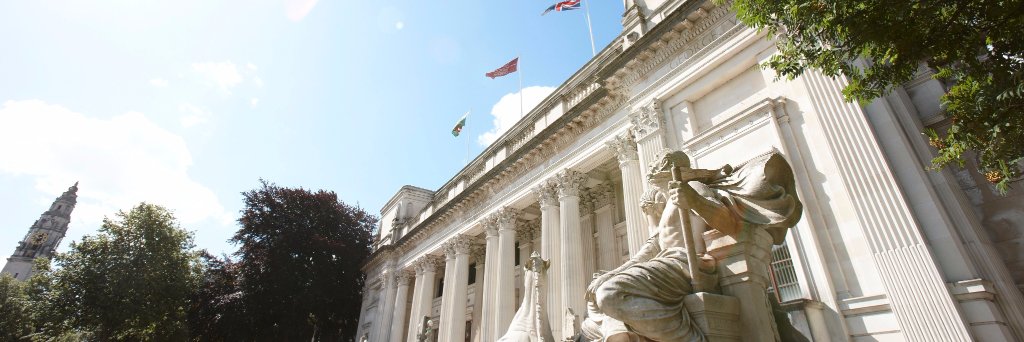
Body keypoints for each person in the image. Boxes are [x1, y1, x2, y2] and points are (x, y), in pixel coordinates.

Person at [584, 149, 802, 341]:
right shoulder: (668, 202)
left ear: (667, 170)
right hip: (667, 264)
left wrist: (694, 200)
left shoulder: (692, 187)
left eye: (654, 171)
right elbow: (650, 248)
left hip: (688, 263)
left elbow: (728, 223)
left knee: (611, 293)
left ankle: (690, 338)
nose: (650, 176)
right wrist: (615, 271)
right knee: (598, 298)